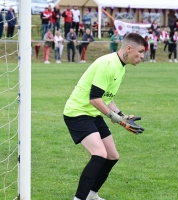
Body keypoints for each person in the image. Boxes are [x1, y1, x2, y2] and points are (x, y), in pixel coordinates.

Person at [63, 33, 145, 200]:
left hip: (91, 113)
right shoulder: (109, 64)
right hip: (77, 112)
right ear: (129, 48)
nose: (142, 56)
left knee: (112, 156)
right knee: (99, 153)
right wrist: (113, 117)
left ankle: (92, 195)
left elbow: (106, 97)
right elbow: (94, 98)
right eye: (141, 51)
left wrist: (122, 117)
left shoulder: (120, 66)